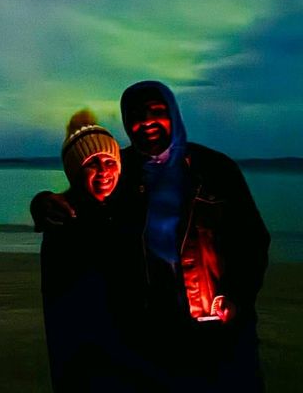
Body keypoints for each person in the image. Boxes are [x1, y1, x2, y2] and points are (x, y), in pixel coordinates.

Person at [32, 81, 270, 391]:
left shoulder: (215, 170)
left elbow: (252, 241)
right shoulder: (120, 169)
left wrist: (235, 297)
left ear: (174, 114)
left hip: (218, 334)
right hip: (148, 340)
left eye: (156, 111)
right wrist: (42, 202)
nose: (146, 121)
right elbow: (80, 197)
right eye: (135, 114)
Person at [39, 109, 164, 392]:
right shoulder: (65, 224)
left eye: (110, 161)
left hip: (136, 350)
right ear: (73, 171)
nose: (104, 170)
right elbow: (63, 311)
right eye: (92, 163)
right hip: (90, 358)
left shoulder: (128, 205)